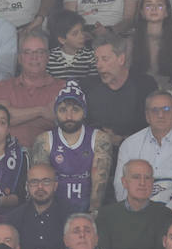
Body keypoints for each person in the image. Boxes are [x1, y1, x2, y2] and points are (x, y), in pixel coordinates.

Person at [31, 82, 114, 213]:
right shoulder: (44, 141)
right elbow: (42, 187)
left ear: (84, 112)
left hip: (87, 211)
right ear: (56, 112)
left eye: (75, 110)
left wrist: (92, 213)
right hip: (54, 212)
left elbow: (99, 185)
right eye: (63, 110)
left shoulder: (98, 139)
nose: (69, 116)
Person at [115, 91, 172, 208]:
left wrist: (165, 213)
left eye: (167, 109)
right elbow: (121, 185)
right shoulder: (130, 144)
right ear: (147, 116)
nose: (161, 115)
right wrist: (132, 209)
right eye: (154, 110)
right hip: (135, 209)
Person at [0, 33, 63, 151]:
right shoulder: (3, 86)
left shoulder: (63, 88)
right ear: (19, 58)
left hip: (50, 154)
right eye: (28, 52)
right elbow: (1, 118)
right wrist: (41, 111)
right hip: (7, 153)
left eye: (40, 52)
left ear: (48, 56)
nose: (34, 57)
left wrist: (18, 115)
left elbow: (66, 121)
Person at [98, 160, 172, 249]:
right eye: (136, 177)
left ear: (152, 182)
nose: (142, 183)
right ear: (124, 182)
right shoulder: (106, 214)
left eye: (147, 178)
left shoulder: (164, 214)